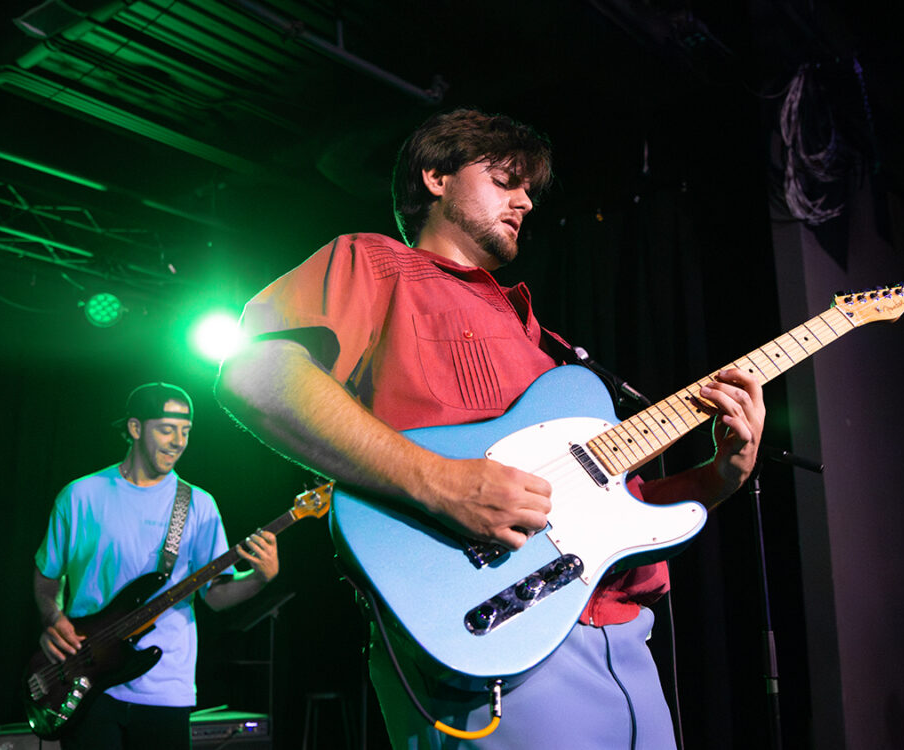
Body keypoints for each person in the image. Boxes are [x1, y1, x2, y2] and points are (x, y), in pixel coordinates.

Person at [217, 109, 766, 748]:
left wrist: (720, 477)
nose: (526, 200)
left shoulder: (550, 347)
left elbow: (617, 515)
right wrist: (440, 482)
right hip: (492, 644)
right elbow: (256, 374)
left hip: (623, 639)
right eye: (506, 179)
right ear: (436, 178)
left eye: (528, 188)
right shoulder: (374, 262)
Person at [33, 382, 280, 750]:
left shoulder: (198, 505)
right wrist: (54, 620)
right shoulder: (81, 495)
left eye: (186, 430)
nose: (178, 440)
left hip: (166, 686)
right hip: (86, 680)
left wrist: (260, 578)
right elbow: (46, 577)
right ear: (135, 428)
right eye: (167, 428)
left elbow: (215, 596)